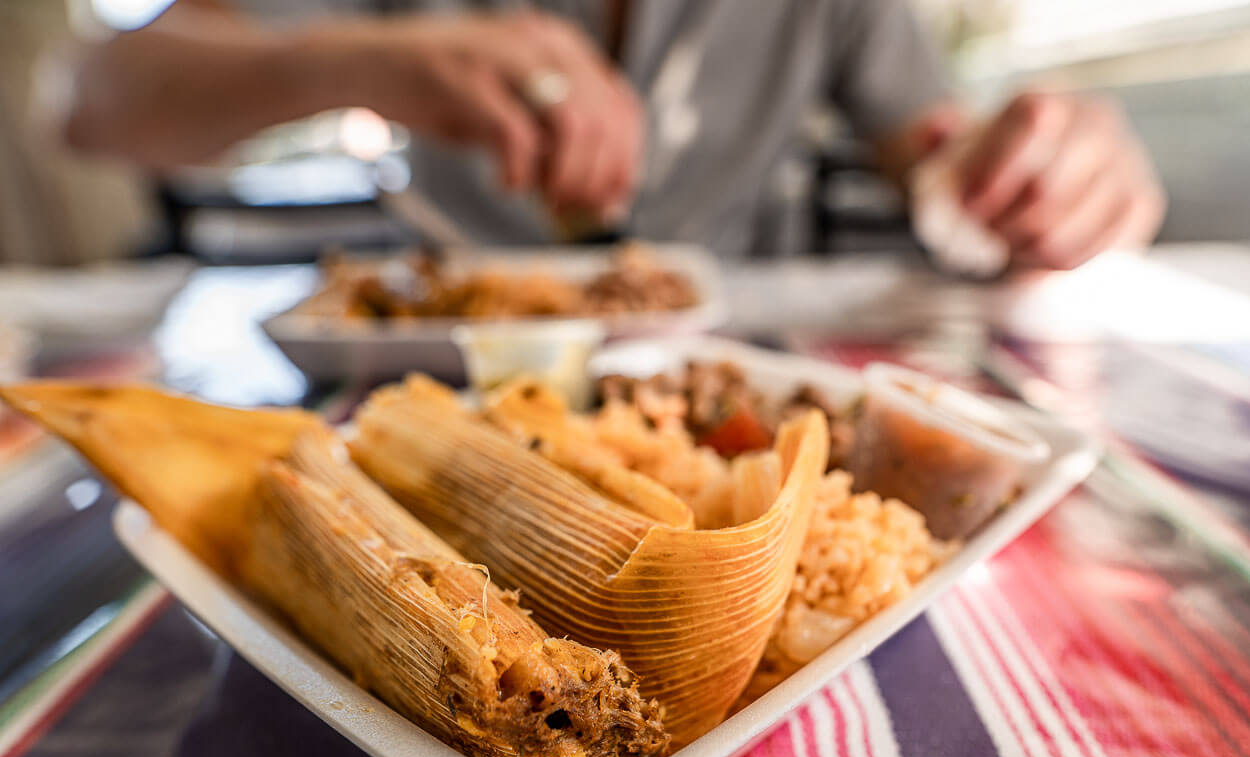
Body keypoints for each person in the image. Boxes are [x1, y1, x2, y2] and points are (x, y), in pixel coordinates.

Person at [57, 0, 1164, 266]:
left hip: (735, 370)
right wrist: (354, 59)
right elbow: (95, 98)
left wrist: (1031, 177)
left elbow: (933, 148)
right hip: (446, 372)